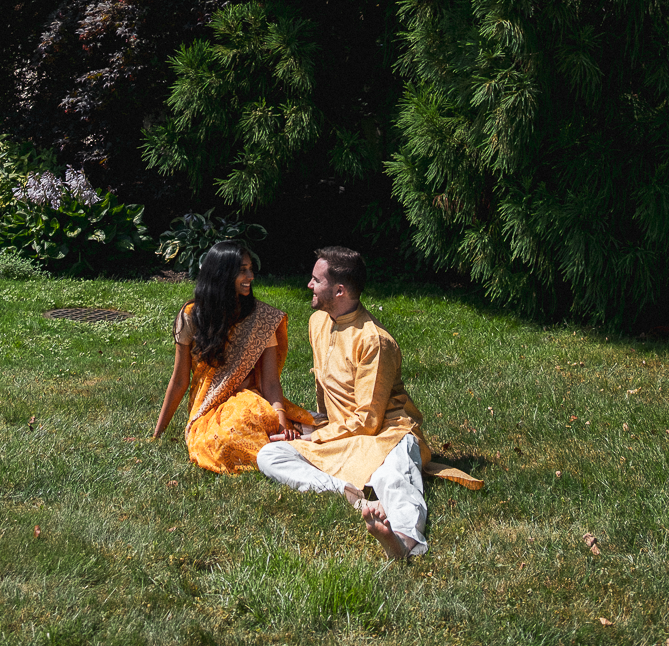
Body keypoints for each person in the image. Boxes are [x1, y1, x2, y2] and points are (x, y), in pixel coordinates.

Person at [257, 246, 482, 561]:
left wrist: (314, 437)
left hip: (386, 434)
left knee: (393, 477)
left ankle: (403, 541)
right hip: (343, 435)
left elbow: (369, 420)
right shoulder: (318, 322)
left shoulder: (374, 341)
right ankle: (350, 493)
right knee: (270, 455)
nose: (309, 285)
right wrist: (315, 423)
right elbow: (325, 384)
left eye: (315, 280)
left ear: (339, 290)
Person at [152, 240, 313, 473]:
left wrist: (280, 420)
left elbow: (269, 382)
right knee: (220, 440)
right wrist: (157, 435)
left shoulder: (262, 318)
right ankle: (281, 450)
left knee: (247, 416)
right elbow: (179, 381)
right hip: (209, 409)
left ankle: (285, 446)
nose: (251, 276)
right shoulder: (191, 316)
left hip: (249, 400)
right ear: (222, 274)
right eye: (242, 270)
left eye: (250, 269)